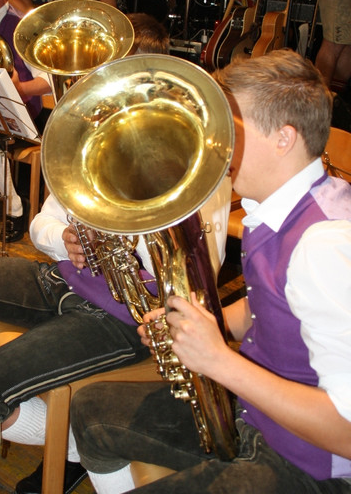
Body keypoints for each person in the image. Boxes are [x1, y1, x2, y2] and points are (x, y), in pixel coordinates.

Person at [69, 49, 351, 494]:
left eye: (230, 129)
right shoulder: (278, 206)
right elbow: (271, 308)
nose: (214, 144)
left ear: (284, 138)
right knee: (92, 409)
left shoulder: (324, 246)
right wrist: (199, 327)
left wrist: (219, 359)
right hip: (259, 419)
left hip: (311, 468)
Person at [0, 161, 230, 485]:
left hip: (129, 315)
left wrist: (121, 234)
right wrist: (65, 239)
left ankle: (88, 445)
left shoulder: (196, 162)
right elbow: (42, 223)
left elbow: (199, 275)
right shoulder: (97, 146)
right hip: (63, 278)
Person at [0, 0, 52, 242]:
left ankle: (14, 208)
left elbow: (49, 82)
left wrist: (18, 89)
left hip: (24, 113)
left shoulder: (22, 28)